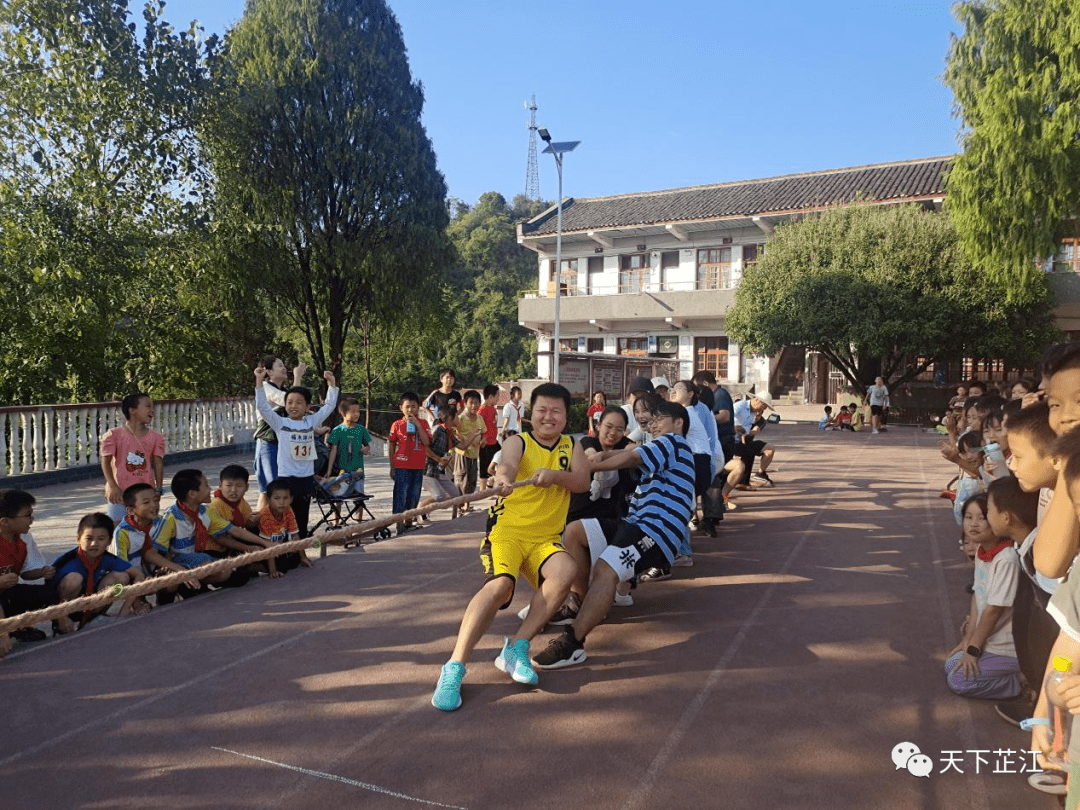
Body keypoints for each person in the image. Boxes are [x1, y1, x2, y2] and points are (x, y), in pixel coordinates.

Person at [430, 383, 588, 711]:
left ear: (565, 417)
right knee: (500, 587)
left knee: (566, 570)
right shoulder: (519, 440)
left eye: (556, 411)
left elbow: (582, 482)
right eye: (542, 410)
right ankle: (454, 667)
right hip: (506, 534)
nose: (549, 417)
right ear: (530, 415)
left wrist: (555, 476)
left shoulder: (573, 447)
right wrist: (503, 480)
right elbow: (508, 466)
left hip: (545, 540)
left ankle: (516, 647)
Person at [532, 400, 696, 670]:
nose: (653, 424)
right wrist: (598, 457)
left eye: (659, 418)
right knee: (574, 532)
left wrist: (583, 470)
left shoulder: (674, 443)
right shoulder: (664, 449)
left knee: (607, 570)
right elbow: (628, 454)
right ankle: (587, 604)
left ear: (678, 423)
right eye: (650, 420)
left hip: (654, 530)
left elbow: (632, 457)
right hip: (634, 523)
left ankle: (572, 643)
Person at [944, 492, 1022, 700]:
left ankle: (1016, 682)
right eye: (969, 517)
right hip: (989, 642)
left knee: (958, 680)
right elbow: (977, 597)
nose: (974, 524)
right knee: (950, 665)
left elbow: (994, 610)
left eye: (982, 517)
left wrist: (973, 650)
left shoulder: (1007, 559)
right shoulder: (982, 551)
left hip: (1008, 649)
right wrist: (968, 640)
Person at [254, 365, 339, 537]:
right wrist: (258, 382)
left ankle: (299, 552)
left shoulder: (311, 422)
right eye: (290, 402)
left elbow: (329, 406)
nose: (294, 406)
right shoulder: (280, 423)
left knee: (301, 518)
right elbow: (262, 406)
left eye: (299, 402)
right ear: (285, 405)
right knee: (285, 517)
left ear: (307, 406)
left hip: (306, 478)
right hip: (287, 478)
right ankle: (283, 550)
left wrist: (332, 385)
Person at [156, 469, 265, 589]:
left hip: (196, 558)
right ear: (192, 494)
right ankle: (187, 586)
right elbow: (155, 552)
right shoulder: (172, 516)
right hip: (176, 563)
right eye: (206, 485)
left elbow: (234, 530)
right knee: (221, 569)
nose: (210, 489)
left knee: (235, 575)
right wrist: (178, 570)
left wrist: (264, 543)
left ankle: (196, 585)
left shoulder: (205, 512)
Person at [53, 513, 150, 632]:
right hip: (65, 609)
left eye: (101, 539)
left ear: (109, 541)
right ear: (78, 539)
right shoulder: (67, 562)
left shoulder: (106, 558)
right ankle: (65, 624)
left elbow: (138, 575)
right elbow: (50, 593)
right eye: (89, 538)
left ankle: (94, 617)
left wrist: (125, 609)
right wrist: (61, 617)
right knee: (74, 579)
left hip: (92, 605)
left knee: (121, 577)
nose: (94, 544)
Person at [0, 490, 57, 646]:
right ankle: (6, 631)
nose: (32, 520)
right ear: (5, 521)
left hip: (7, 595)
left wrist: (41, 572)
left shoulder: (23, 536)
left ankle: (19, 628)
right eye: (27, 516)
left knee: (49, 591)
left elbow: (26, 572)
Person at [100, 392, 165, 527]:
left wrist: (158, 488)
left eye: (152, 407)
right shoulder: (114, 435)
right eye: (148, 406)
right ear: (132, 410)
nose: (152, 410)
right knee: (117, 526)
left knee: (145, 526)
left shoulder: (156, 438)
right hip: (119, 492)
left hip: (145, 492)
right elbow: (105, 462)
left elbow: (158, 463)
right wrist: (112, 486)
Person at [252, 356, 307, 513]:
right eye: (280, 365)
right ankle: (263, 528)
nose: (284, 368)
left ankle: (265, 527)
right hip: (268, 443)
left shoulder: (283, 390)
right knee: (271, 490)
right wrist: (297, 377)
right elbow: (291, 403)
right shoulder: (266, 388)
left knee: (271, 491)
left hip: (281, 444)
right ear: (268, 371)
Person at [388, 392, 432, 535]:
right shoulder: (397, 425)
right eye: (407, 407)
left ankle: (409, 522)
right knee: (401, 494)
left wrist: (418, 424)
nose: (410, 410)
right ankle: (399, 524)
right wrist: (392, 466)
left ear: (418, 407)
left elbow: (426, 442)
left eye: (414, 407)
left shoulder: (424, 423)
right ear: (401, 407)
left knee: (414, 494)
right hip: (401, 465)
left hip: (418, 466)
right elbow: (391, 444)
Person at [259, 479, 310, 577]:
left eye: (285, 498)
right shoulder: (265, 516)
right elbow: (267, 545)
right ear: (269, 500)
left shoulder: (288, 511)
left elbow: (295, 535)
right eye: (277, 498)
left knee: (295, 559)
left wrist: (304, 557)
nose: (282, 502)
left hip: (278, 547)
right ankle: (257, 567)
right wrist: (273, 571)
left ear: (291, 499)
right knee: (282, 567)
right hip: (264, 549)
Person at [419, 408, 462, 518]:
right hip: (427, 470)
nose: (459, 419)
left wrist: (476, 434)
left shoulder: (449, 433)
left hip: (439, 470)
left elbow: (463, 446)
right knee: (440, 497)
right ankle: (419, 510)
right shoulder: (437, 429)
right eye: (457, 416)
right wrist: (438, 459)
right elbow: (425, 447)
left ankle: (453, 518)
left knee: (456, 495)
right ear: (450, 418)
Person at [325, 397, 371, 496]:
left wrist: (366, 449)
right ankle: (337, 512)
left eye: (358, 411)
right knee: (338, 499)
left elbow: (367, 446)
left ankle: (359, 512)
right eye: (353, 411)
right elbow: (333, 451)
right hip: (341, 472)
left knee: (359, 499)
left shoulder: (361, 430)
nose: (357, 414)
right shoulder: (337, 430)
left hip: (358, 472)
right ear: (343, 413)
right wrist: (329, 470)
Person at [733, 392, 776, 487]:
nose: (761, 410)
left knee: (765, 449)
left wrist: (751, 431)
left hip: (746, 441)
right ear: (756, 400)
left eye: (764, 409)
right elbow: (729, 415)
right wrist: (736, 427)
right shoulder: (741, 405)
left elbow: (751, 431)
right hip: (733, 438)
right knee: (748, 452)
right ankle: (742, 482)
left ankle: (759, 474)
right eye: (763, 406)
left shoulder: (759, 419)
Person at [454, 390, 484, 506]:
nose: (474, 406)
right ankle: (460, 506)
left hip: (474, 455)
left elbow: (483, 433)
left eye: (476, 403)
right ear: (465, 403)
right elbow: (456, 435)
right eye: (471, 403)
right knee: (462, 481)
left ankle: (467, 505)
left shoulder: (480, 419)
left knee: (472, 482)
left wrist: (483, 440)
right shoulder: (460, 418)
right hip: (463, 454)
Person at [478, 385, 501, 491]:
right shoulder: (482, 409)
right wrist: (481, 438)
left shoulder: (493, 409)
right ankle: (482, 491)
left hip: (494, 442)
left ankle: (492, 483)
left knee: (502, 459)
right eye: (497, 396)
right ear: (491, 397)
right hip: (485, 443)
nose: (499, 398)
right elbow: (477, 425)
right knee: (484, 466)